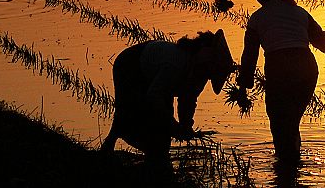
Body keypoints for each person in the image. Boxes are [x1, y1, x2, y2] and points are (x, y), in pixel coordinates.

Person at [232, 0, 325, 164]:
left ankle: (287, 166)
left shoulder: (257, 18)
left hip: (280, 68)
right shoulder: (299, 13)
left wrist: (243, 87)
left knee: (280, 121)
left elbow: (250, 55)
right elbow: (322, 41)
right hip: (306, 68)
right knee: (291, 121)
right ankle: (292, 164)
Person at [100, 30, 236, 163]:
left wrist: (186, 125)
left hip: (157, 80)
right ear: (204, 51)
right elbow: (154, 96)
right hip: (131, 64)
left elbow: (188, 99)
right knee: (131, 110)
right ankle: (115, 144)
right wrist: (173, 126)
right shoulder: (176, 62)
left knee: (163, 133)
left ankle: (153, 154)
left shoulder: (200, 72)